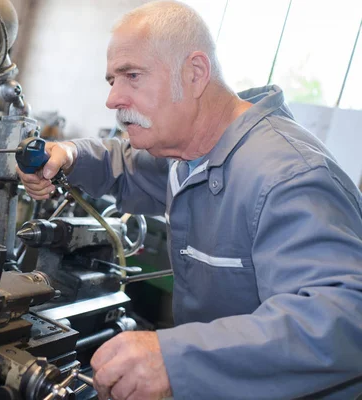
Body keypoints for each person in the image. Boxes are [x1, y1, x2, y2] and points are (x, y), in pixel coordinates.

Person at [18, 1, 362, 399]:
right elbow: (125, 167)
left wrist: (176, 360)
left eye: (132, 75)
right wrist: (70, 154)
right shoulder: (188, 152)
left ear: (195, 73)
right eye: (112, 80)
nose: (113, 99)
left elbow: (345, 316)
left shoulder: (287, 174)